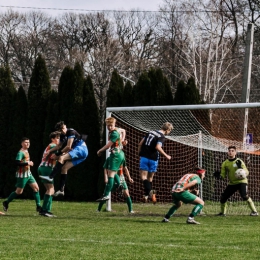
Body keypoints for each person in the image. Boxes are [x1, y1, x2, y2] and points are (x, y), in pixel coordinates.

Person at [39, 121, 88, 197]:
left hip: (81, 149)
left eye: (63, 128)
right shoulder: (62, 135)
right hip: (82, 155)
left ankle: (50, 177)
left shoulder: (71, 132)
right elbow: (58, 146)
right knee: (64, 168)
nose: (63, 131)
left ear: (65, 126)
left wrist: (57, 154)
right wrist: (49, 151)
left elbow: (68, 146)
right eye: (61, 130)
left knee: (61, 158)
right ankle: (61, 190)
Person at [215, 145, 258, 216]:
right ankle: (223, 213)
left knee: (244, 196)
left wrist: (241, 169)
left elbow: (247, 172)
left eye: (232, 151)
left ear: (235, 153)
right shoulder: (225, 163)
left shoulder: (239, 161)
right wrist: (219, 176)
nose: (231, 152)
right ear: (227, 152)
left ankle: (254, 212)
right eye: (229, 151)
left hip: (242, 182)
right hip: (232, 183)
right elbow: (223, 176)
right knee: (223, 198)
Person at [2, 137, 41, 213]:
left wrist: (28, 163)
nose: (28, 144)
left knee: (36, 188)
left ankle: (38, 206)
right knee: (19, 192)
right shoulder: (21, 152)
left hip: (28, 174)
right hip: (22, 175)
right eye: (26, 142)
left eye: (28, 142)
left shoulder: (26, 151)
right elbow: (17, 163)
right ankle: (6, 202)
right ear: (22, 143)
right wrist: (28, 163)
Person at [138, 122, 173, 204]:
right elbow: (158, 147)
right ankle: (150, 194)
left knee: (143, 177)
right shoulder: (161, 137)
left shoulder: (150, 132)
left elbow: (140, 143)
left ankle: (147, 195)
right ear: (167, 130)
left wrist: (139, 153)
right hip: (154, 159)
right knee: (150, 178)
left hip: (144, 157)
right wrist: (166, 155)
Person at [96, 117, 125, 202]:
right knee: (113, 172)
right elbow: (123, 131)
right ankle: (119, 185)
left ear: (114, 124)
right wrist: (122, 139)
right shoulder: (117, 129)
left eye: (111, 125)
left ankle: (106, 195)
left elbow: (108, 145)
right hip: (120, 154)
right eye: (108, 126)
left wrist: (100, 150)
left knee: (110, 175)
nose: (109, 127)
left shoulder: (114, 133)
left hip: (116, 155)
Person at [38, 131, 60, 217]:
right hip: (47, 168)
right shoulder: (53, 146)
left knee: (50, 189)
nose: (59, 140)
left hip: (43, 168)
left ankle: (47, 210)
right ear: (52, 139)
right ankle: (44, 210)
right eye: (57, 138)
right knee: (50, 189)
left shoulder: (49, 146)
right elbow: (54, 157)